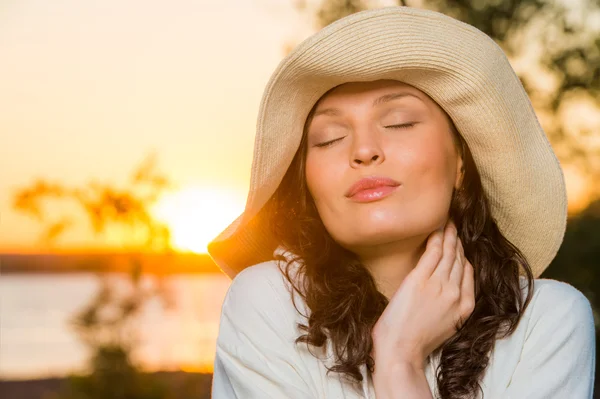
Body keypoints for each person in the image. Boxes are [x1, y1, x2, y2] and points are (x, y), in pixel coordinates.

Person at [207, 6, 596, 399]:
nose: (363, 150)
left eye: (399, 123)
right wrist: (400, 353)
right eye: (329, 138)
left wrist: (399, 361)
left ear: (461, 162)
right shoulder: (267, 303)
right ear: (307, 185)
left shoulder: (547, 322)